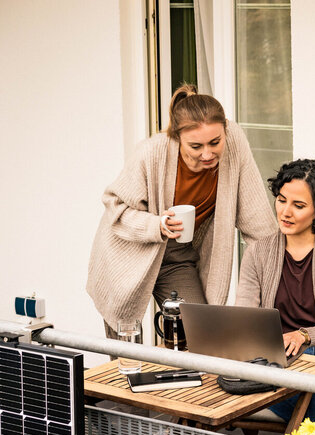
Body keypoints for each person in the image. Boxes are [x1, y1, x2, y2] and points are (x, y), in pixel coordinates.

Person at [87, 84, 278, 340]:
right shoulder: (151, 152)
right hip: (127, 255)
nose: (207, 154)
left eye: (215, 142)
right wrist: (157, 225)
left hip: (176, 257)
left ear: (225, 131)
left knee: (200, 334)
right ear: (177, 138)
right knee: (126, 346)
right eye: (196, 146)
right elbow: (115, 206)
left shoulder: (234, 142)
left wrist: (277, 262)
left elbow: (256, 217)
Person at [235, 159, 315, 427]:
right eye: (282, 200)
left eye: (299, 205)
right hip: (279, 362)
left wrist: (304, 335)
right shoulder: (258, 252)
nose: (285, 212)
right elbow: (244, 318)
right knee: (307, 396)